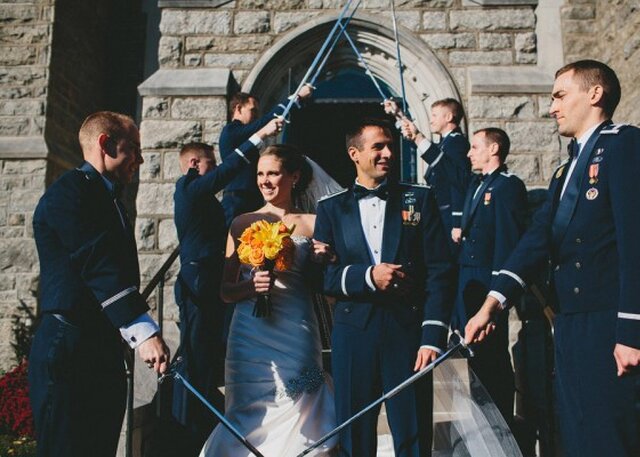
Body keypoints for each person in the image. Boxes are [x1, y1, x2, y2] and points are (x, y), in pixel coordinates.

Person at [465, 60, 640, 457]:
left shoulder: (627, 144)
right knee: (578, 435)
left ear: (594, 94)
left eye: (560, 95)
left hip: (612, 324)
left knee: (616, 438)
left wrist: (635, 331)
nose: (552, 108)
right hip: (571, 326)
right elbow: (536, 239)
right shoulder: (566, 171)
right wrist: (492, 304)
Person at [29, 111, 170, 457]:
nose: (139, 159)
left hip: (100, 350)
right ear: (105, 143)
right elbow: (97, 263)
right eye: (133, 148)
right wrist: (144, 331)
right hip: (70, 349)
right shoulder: (70, 193)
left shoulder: (112, 200)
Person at [314, 118, 454, 456]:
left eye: (390, 145)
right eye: (378, 146)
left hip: (407, 336)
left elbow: (441, 271)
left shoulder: (419, 200)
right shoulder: (330, 209)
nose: (388, 153)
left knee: (413, 433)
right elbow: (323, 278)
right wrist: (368, 277)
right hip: (352, 335)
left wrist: (431, 337)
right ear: (354, 153)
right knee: (354, 434)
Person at [200, 144, 337, 457]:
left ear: (294, 176)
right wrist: (251, 287)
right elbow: (225, 291)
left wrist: (327, 260)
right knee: (249, 407)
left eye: (273, 172)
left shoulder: (314, 224)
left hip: (298, 327)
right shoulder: (241, 223)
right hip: (249, 333)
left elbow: (326, 288)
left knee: (304, 391)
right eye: (260, 173)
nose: (265, 180)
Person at [171, 118, 282, 454]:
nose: (216, 168)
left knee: (208, 357)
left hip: (211, 282)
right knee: (194, 358)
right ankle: (185, 431)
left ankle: (205, 422)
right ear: (194, 164)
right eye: (210, 162)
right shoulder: (188, 187)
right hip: (198, 282)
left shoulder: (202, 197)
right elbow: (225, 173)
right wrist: (258, 137)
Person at [455, 127, 528, 425]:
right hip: (467, 279)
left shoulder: (507, 186)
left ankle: (498, 426)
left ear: (493, 149)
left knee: (491, 356)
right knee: (470, 355)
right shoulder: (478, 184)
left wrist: (497, 296)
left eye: (475, 147)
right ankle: (478, 425)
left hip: (487, 282)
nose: (469, 152)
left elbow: (507, 242)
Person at [385, 98, 471, 254]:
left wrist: (458, 222)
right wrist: (398, 115)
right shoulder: (446, 142)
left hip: (448, 217)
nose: (430, 120)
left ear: (449, 117)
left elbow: (457, 182)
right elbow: (427, 149)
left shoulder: (456, 142)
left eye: (434, 115)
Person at [220, 86, 313, 227]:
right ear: (238, 109)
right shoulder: (231, 131)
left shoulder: (243, 135)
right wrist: (296, 98)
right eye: (253, 111)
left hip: (250, 200)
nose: (257, 117)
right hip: (237, 201)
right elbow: (266, 121)